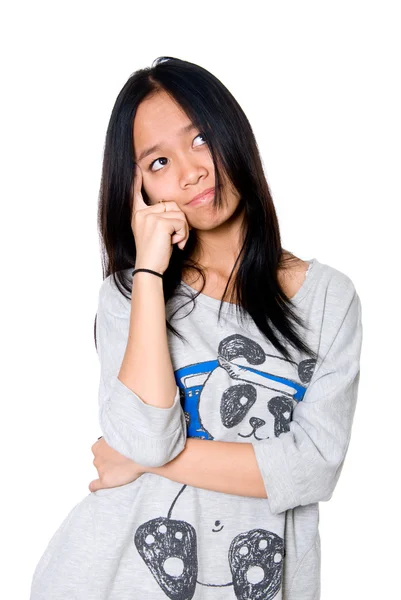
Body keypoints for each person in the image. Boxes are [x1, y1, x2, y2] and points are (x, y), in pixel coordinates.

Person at [30, 56, 363, 600]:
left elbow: (312, 468)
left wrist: (145, 460)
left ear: (234, 134)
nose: (191, 172)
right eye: (158, 162)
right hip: (109, 579)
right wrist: (147, 271)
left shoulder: (327, 298)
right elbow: (143, 432)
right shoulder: (129, 294)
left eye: (201, 138)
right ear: (137, 188)